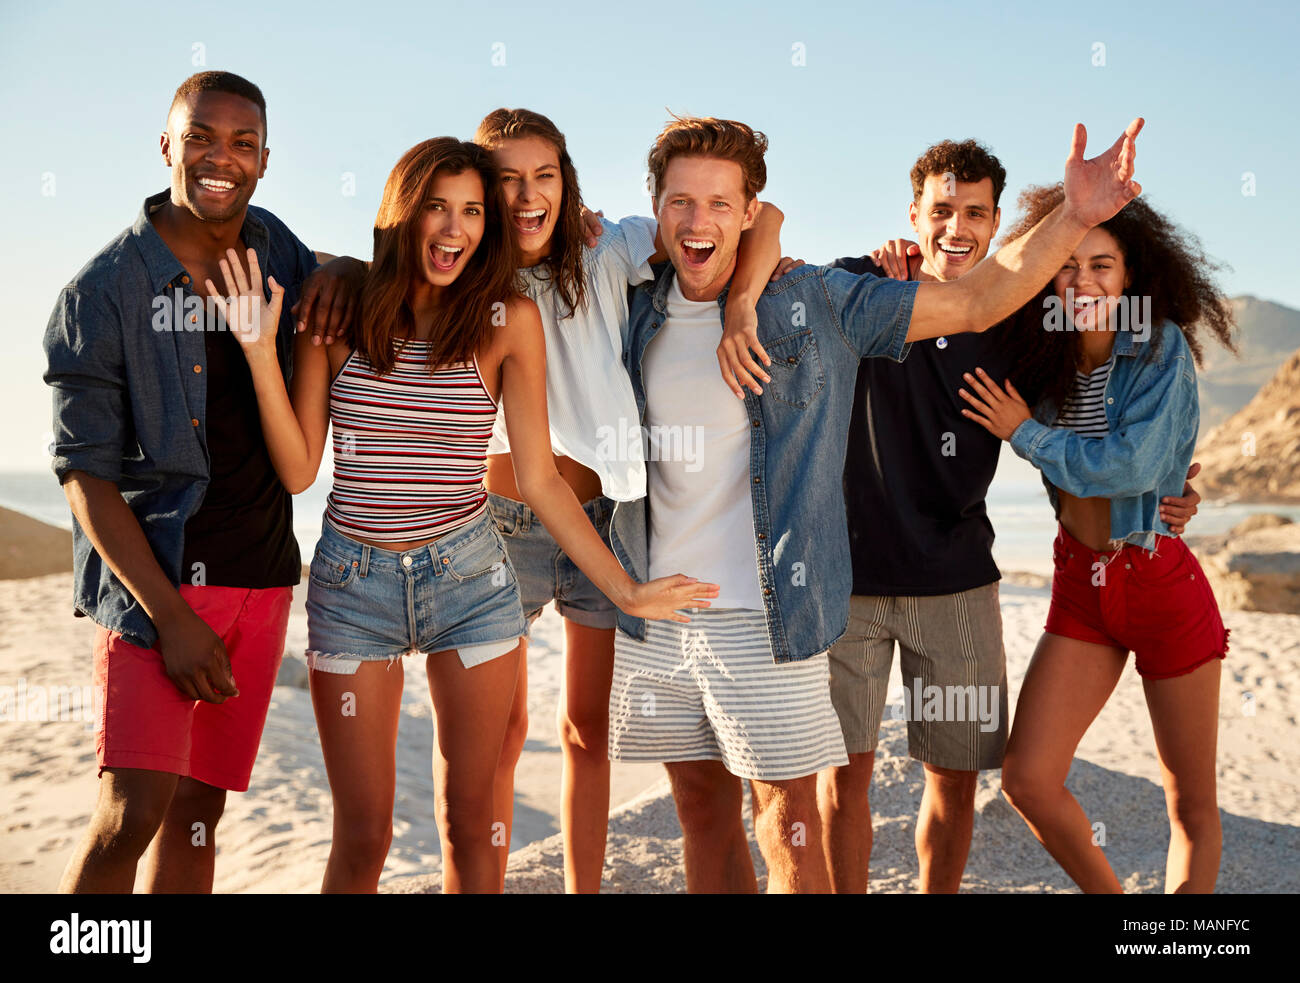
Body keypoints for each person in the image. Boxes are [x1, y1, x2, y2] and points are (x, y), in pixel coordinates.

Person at [615, 113, 1146, 893]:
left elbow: (993, 318)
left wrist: (1073, 217)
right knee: (761, 796)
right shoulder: (675, 304)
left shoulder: (892, 310)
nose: (700, 221)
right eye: (681, 203)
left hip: (870, 596)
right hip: (753, 598)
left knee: (874, 796)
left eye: (722, 204)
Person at [211, 136, 716, 893]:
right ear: (403, 214)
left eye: (473, 212)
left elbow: (542, 480)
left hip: (471, 582)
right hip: (353, 587)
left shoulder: (506, 319)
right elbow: (299, 469)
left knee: (472, 822)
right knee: (364, 836)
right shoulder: (337, 315)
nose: (455, 229)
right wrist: (259, 352)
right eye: (437, 209)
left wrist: (628, 591)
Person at [728, 141, 1201, 893]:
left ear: (996, 224)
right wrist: (755, 283)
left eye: (975, 212)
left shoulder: (1017, 327)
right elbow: (772, 251)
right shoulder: (862, 284)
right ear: (913, 215)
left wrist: (1166, 490)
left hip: (957, 587)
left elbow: (1082, 438)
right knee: (843, 781)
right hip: (845, 584)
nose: (957, 226)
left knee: (954, 782)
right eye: (941, 210)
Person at [44, 71, 320, 893]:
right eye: (200, 136)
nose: (219, 157)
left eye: (241, 142)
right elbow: (84, 479)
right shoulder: (102, 293)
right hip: (158, 592)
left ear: (265, 160)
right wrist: (170, 620)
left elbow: (333, 275)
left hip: (261, 582)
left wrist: (341, 275)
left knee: (202, 816)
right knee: (130, 815)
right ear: (167, 145)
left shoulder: (274, 247)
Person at [957, 184, 1235, 893]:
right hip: (1081, 584)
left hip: (1158, 580)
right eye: (1068, 263)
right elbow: (953, 312)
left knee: (1191, 804)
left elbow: (1132, 466)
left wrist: (1025, 431)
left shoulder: (1159, 345)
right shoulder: (1037, 349)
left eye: (1102, 265)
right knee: (1028, 778)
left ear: (1132, 274)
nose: (1083, 281)